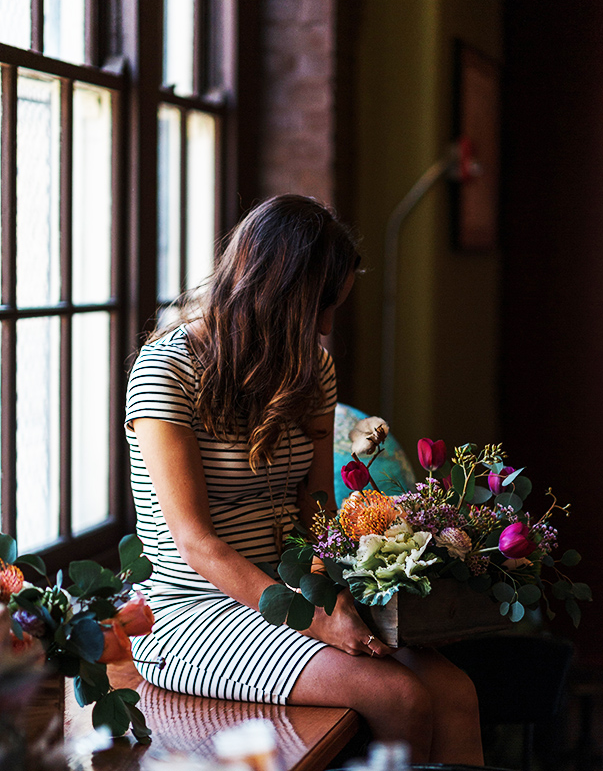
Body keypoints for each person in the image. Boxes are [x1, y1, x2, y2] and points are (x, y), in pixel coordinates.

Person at [125, 194, 483, 765]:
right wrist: (317, 618)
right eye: (317, 307)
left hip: (292, 590)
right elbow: (197, 543)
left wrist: (329, 589)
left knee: (456, 693)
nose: (323, 327)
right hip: (193, 610)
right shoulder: (166, 370)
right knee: (399, 697)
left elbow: (314, 505)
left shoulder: (310, 366)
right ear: (276, 295)